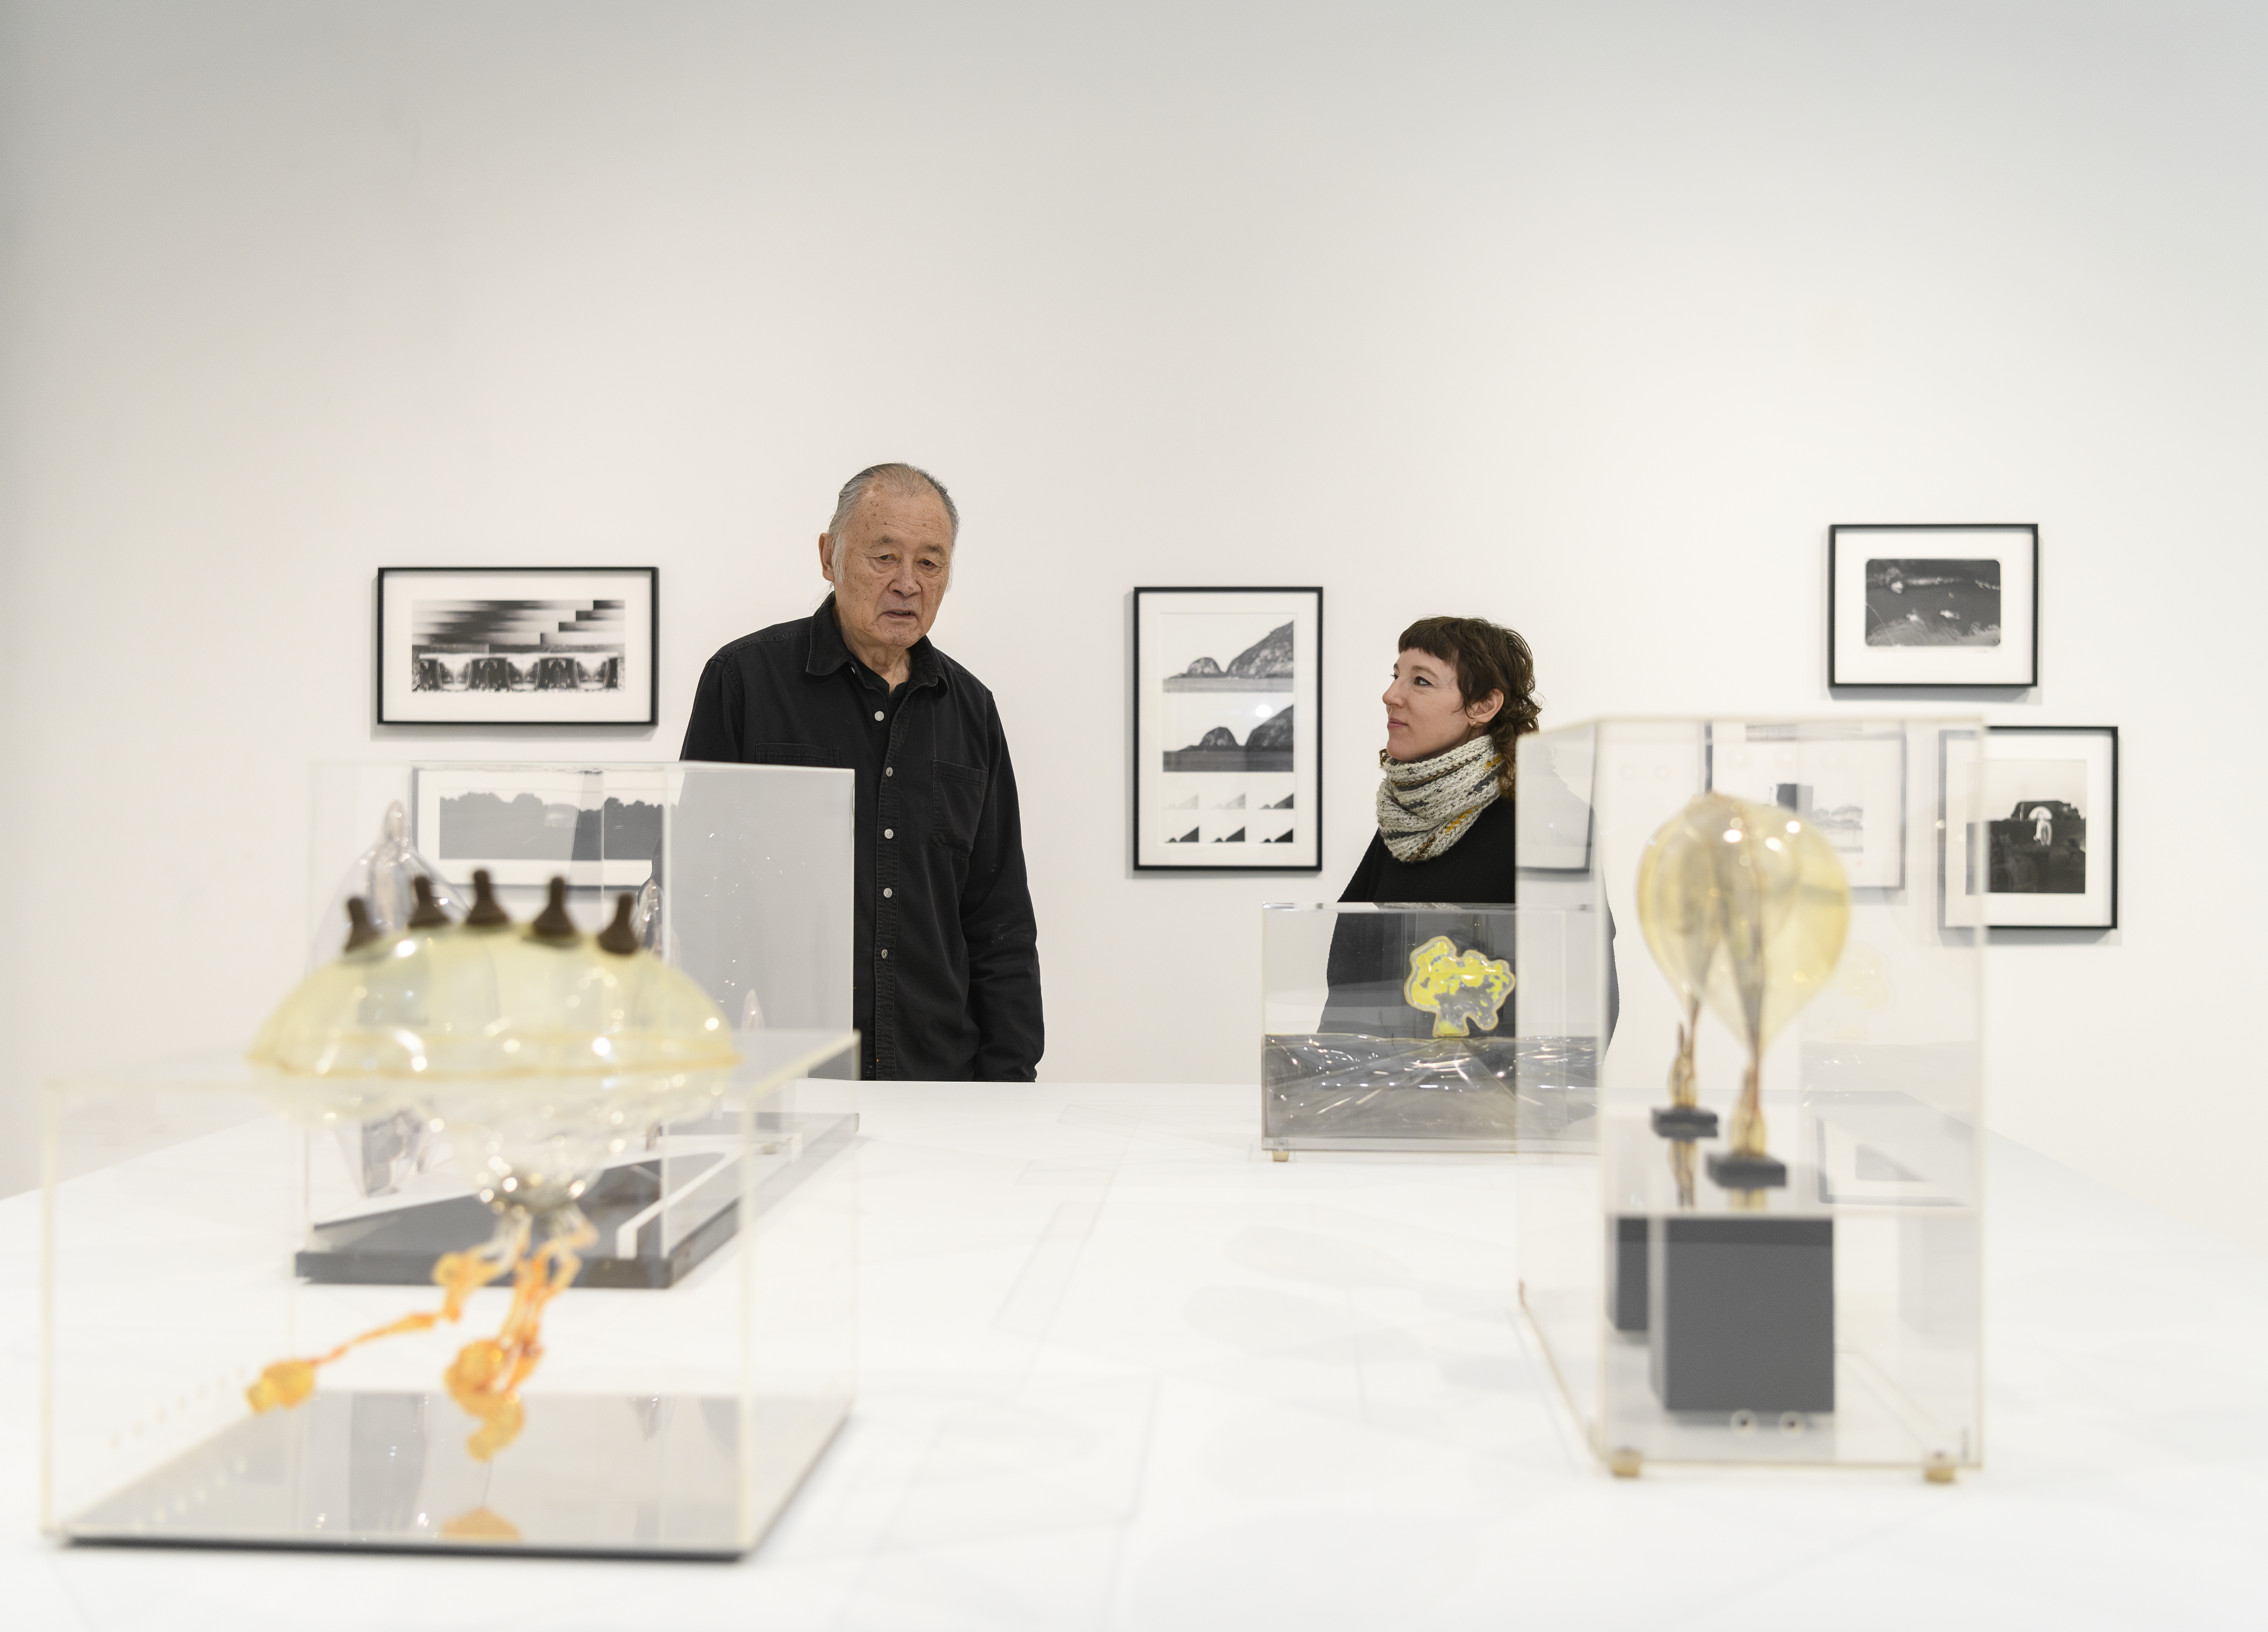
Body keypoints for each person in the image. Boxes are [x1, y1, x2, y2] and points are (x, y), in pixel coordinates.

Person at [680, 463, 1042, 1081]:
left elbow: (998, 916)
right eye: (884, 557)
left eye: (930, 563)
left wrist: (1010, 1082)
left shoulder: (971, 709)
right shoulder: (744, 683)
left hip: (940, 1082)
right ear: (829, 556)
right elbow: (697, 895)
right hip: (782, 1081)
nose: (908, 584)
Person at [1327, 615, 1615, 1035]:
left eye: (1420, 681)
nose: (1391, 695)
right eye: (1396, 676)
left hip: (1491, 1094)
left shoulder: (1548, 819)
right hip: (1383, 1088)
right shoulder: (1404, 820)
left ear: (1483, 706)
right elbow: (1352, 982)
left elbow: (1585, 998)